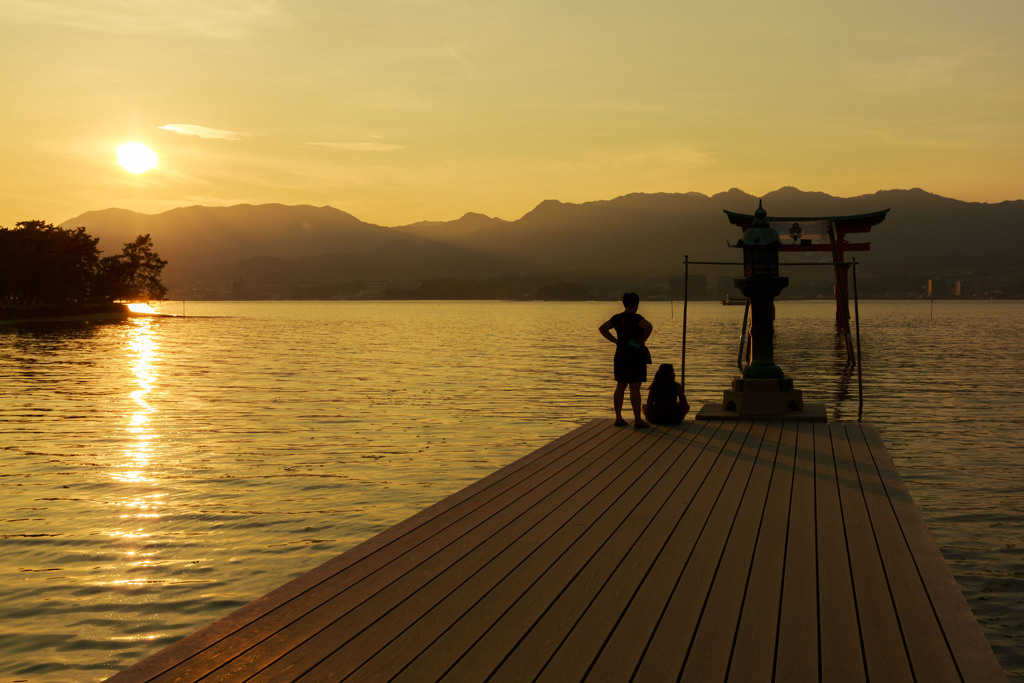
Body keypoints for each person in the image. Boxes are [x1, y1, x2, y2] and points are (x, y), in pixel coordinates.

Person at [599, 292, 653, 428]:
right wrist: (642, 340)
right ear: (636, 304)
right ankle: (638, 420)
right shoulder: (637, 318)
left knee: (620, 386)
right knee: (634, 388)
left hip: (621, 353)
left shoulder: (616, 318)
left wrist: (615, 341)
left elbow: (603, 328)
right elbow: (648, 326)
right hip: (635, 354)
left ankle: (618, 418)